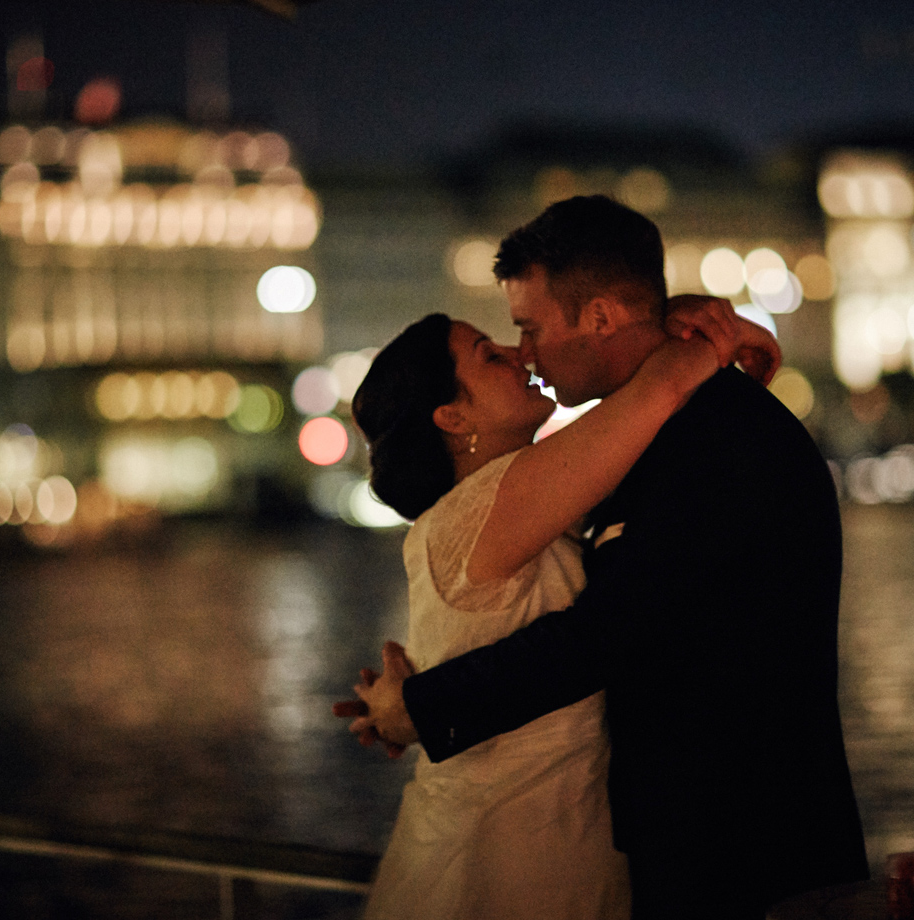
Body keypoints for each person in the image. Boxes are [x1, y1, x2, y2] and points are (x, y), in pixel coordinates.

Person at [343, 195, 869, 920]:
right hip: (639, 841)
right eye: (501, 346)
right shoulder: (642, 436)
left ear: (596, 318)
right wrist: (693, 333)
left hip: (740, 847)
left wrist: (421, 709)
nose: (522, 352)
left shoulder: (709, 436)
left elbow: (609, 633)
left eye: (525, 329)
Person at [347, 287, 747, 917]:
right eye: (486, 354)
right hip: (508, 853)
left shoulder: (509, 512)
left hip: (551, 828)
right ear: (452, 417)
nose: (514, 352)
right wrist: (718, 335)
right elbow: (659, 389)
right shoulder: (483, 509)